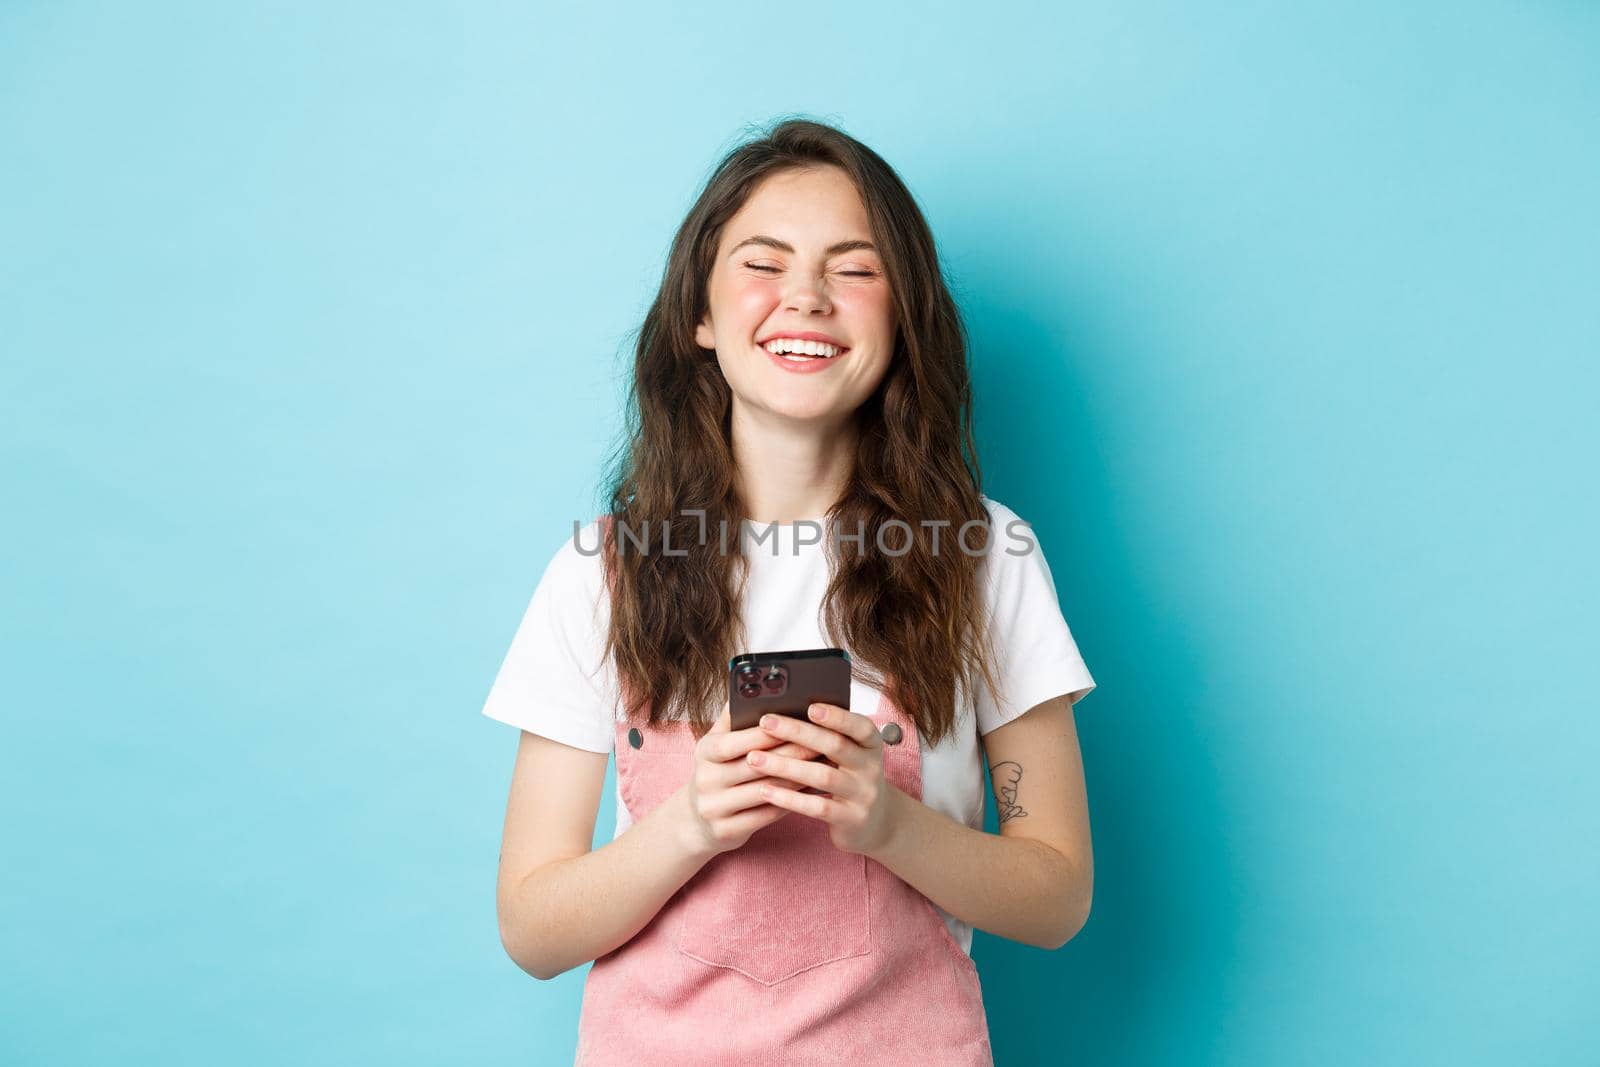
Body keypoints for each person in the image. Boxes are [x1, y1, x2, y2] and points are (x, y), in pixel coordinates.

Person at [481, 117, 1098, 1066]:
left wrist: (889, 824)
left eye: (855, 269)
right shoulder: (600, 569)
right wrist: (689, 823)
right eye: (763, 264)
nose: (806, 298)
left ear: (902, 320)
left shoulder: (987, 554)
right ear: (698, 314)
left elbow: (1057, 898)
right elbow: (532, 928)